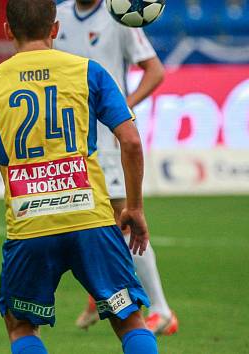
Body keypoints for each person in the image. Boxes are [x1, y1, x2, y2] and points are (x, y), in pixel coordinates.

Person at [0, 0, 159, 352]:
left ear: (7, 31)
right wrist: (135, 208)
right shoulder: (89, 72)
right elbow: (132, 142)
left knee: (21, 326)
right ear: (55, 29)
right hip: (90, 220)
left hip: (30, 226)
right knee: (129, 320)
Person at [54, 0, 178, 336]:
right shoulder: (59, 16)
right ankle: (102, 290)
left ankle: (161, 309)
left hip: (107, 139)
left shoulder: (120, 15)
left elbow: (155, 70)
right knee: (87, 217)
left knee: (123, 217)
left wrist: (123, 107)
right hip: (69, 136)